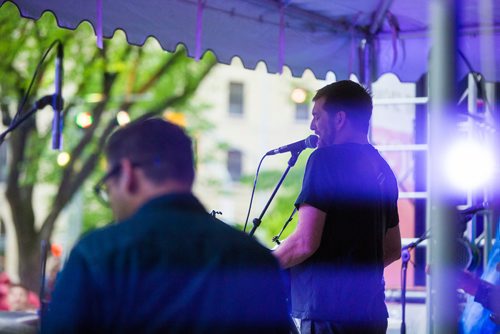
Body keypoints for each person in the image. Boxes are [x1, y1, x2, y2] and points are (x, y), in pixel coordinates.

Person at [43, 118, 289, 333]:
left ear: (127, 173)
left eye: (107, 186)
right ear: (190, 174)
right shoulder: (255, 257)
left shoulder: (97, 253)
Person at [274, 80, 402, 333]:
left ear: (340, 118)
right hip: (372, 313)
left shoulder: (324, 160)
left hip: (328, 313)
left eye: (317, 116)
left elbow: (304, 243)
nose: (312, 126)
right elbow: (392, 249)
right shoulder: (382, 168)